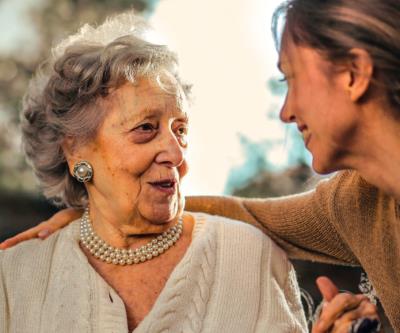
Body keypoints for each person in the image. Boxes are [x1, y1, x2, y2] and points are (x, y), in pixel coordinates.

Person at [0, 5, 383, 333]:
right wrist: (97, 212)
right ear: (75, 149)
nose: (174, 151)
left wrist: (107, 206)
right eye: (146, 128)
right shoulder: (14, 276)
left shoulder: (248, 255)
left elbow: (251, 218)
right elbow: (255, 213)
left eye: (180, 130)